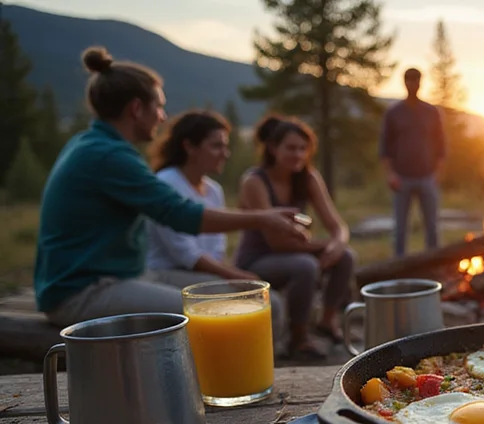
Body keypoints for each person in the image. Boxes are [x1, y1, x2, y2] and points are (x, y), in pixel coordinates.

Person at [34, 47, 303, 328]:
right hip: (84, 292)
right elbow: (181, 215)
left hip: (119, 279)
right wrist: (263, 218)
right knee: (225, 313)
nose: (163, 116)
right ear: (136, 109)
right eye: (159, 106)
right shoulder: (109, 156)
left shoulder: (92, 144)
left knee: (243, 295)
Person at [144, 110, 286, 340]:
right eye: (216, 146)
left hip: (202, 275)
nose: (225, 154)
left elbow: (217, 246)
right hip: (166, 274)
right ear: (189, 146)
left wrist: (231, 276)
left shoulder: (213, 190)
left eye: (225, 146)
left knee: (266, 300)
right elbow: (185, 254)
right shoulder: (166, 184)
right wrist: (234, 275)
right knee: (261, 301)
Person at [235, 115, 356, 360]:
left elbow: (338, 225)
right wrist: (320, 246)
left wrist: (336, 244)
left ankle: (326, 320)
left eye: (303, 149)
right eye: (291, 148)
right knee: (306, 265)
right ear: (272, 148)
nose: (298, 155)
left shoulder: (308, 177)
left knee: (345, 256)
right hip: (258, 258)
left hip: (294, 251)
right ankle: (298, 337)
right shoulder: (255, 182)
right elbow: (276, 242)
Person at [379, 67, 446, 257]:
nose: (412, 84)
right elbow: (385, 146)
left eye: (415, 80)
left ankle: (434, 264)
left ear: (420, 83)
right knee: (400, 228)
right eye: (409, 80)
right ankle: (399, 267)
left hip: (427, 177)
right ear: (404, 82)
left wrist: (437, 175)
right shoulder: (394, 113)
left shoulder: (431, 112)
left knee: (432, 226)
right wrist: (391, 175)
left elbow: (441, 145)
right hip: (402, 178)